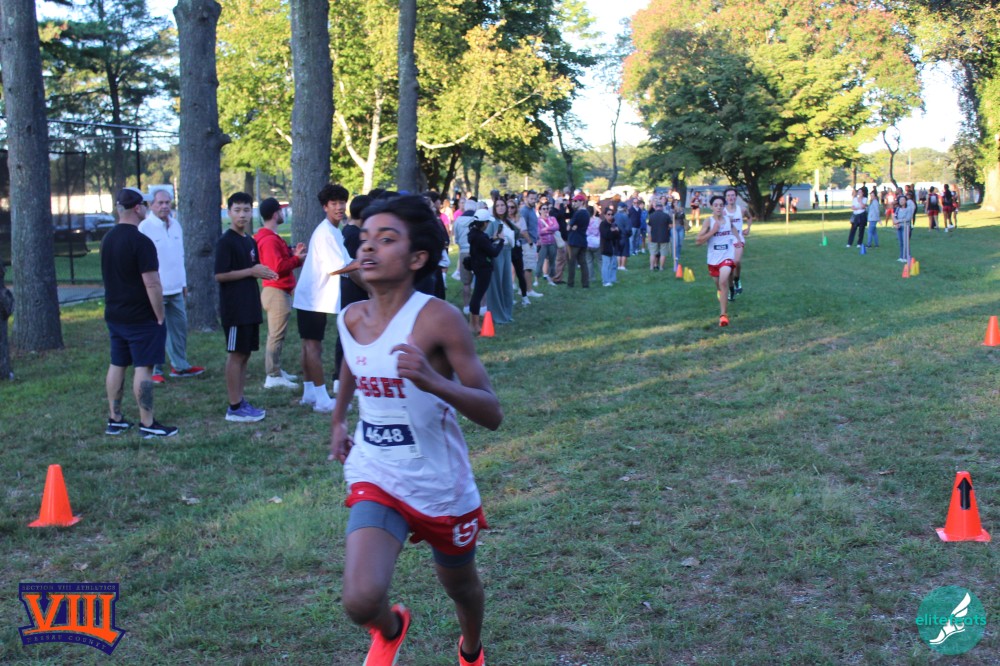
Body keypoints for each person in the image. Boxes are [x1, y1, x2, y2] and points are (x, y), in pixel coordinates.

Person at [329, 195, 501, 666]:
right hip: (376, 472)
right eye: (365, 239)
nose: (368, 247)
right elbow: (352, 363)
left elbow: (492, 412)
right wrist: (340, 419)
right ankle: (391, 629)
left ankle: (471, 650)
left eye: (386, 240)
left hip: (440, 484)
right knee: (360, 600)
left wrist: (433, 380)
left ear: (417, 258)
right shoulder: (351, 318)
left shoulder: (438, 319)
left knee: (460, 586)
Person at [101, 187, 177, 438]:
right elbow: (152, 283)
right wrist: (159, 315)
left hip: (115, 313)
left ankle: (115, 419)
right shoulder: (141, 241)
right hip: (140, 316)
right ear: (137, 208)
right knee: (143, 367)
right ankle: (147, 423)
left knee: (117, 363)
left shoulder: (108, 239)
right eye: (144, 204)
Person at [215, 192, 277, 423]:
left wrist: (262, 271)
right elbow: (220, 275)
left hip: (250, 306)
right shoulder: (226, 241)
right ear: (229, 212)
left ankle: (241, 401)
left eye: (246, 210)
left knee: (245, 353)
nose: (242, 215)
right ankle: (234, 406)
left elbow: (253, 269)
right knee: (236, 354)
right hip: (235, 308)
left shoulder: (249, 240)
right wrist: (251, 271)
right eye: (237, 210)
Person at [292, 183, 350, 413]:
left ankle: (309, 393)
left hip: (314, 297)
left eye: (342, 203)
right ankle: (323, 400)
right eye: (334, 203)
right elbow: (337, 267)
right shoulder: (326, 232)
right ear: (325, 207)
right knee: (313, 347)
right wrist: (364, 263)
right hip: (313, 298)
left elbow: (346, 262)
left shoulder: (334, 231)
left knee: (309, 345)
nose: (339, 207)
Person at [138, 187, 204, 384]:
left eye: (167, 202)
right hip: (156, 289)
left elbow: (180, 256)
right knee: (156, 330)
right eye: (160, 203)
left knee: (179, 328)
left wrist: (183, 283)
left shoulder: (176, 225)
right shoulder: (145, 227)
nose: (165, 206)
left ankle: (180, 366)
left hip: (176, 288)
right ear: (151, 205)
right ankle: (155, 369)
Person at [254, 197, 306, 390]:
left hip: (277, 290)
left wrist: (293, 254)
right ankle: (272, 375)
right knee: (275, 335)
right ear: (276, 214)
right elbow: (276, 267)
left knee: (278, 334)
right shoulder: (269, 240)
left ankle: (276, 369)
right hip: (276, 291)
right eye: (281, 211)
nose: (283, 213)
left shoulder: (270, 237)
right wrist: (297, 260)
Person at [696, 195, 736, 327]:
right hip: (713, 259)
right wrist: (713, 231)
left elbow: (734, 231)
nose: (719, 207)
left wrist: (739, 241)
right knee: (718, 284)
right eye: (716, 205)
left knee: (723, 281)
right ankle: (721, 291)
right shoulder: (709, 221)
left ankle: (723, 315)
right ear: (711, 207)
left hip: (727, 256)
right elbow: (698, 241)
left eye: (721, 205)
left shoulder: (729, 220)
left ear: (724, 207)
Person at [467, 210, 503, 334]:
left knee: (476, 295)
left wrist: (492, 239)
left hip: (477, 266)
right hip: (483, 269)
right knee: (477, 296)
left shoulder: (474, 234)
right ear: (484, 223)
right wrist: (501, 241)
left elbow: (483, 246)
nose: (488, 224)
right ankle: (475, 326)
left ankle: (472, 323)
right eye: (487, 222)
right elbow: (494, 253)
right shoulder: (481, 237)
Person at [484, 201, 514, 324]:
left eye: (502, 205)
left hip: (508, 252)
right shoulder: (492, 222)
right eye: (498, 206)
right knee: (496, 284)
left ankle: (506, 313)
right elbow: (485, 239)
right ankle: (497, 315)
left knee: (507, 284)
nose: (500, 208)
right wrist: (495, 238)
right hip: (497, 252)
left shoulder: (507, 221)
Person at [723, 188, 750, 298]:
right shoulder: (723, 211)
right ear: (725, 198)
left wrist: (748, 228)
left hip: (738, 239)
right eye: (728, 195)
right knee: (729, 268)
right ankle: (731, 290)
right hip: (726, 241)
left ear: (736, 196)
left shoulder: (742, 210)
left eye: (733, 195)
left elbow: (749, 217)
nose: (731, 197)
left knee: (737, 261)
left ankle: (737, 279)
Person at [565, 193, 590, 288]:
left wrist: (571, 226)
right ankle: (585, 283)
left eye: (576, 201)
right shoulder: (587, 213)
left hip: (574, 241)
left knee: (571, 262)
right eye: (573, 201)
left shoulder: (578, 213)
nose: (574, 203)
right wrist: (573, 226)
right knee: (583, 263)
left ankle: (570, 283)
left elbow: (568, 227)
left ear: (582, 202)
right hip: (583, 239)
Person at [535, 202, 558, 285]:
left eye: (547, 208)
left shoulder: (552, 218)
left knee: (552, 261)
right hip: (543, 243)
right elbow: (539, 232)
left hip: (552, 242)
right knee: (540, 262)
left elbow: (556, 227)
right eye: (543, 209)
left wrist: (545, 229)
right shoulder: (538, 220)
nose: (545, 210)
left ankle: (551, 279)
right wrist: (550, 229)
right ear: (540, 211)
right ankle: (536, 280)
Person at [647, 196, 671, 271]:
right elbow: (670, 226)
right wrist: (667, 228)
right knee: (663, 253)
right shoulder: (666, 216)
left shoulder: (651, 216)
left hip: (654, 237)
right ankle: (661, 267)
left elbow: (649, 226)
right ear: (662, 208)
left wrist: (649, 235)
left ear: (656, 208)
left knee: (653, 253)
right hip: (664, 236)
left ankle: (651, 267)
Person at [599, 206, 620, 287]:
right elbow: (606, 235)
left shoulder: (613, 224)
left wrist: (615, 231)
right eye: (608, 214)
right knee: (606, 265)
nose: (610, 216)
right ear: (605, 215)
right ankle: (606, 281)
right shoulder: (603, 224)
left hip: (614, 246)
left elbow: (618, 235)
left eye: (612, 214)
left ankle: (612, 279)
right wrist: (613, 231)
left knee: (614, 264)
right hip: (606, 247)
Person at [893, 188, 915, 263]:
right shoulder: (897, 209)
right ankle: (901, 256)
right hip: (899, 227)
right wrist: (896, 223)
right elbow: (895, 216)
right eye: (900, 200)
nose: (901, 201)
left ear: (905, 201)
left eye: (903, 200)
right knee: (901, 242)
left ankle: (907, 256)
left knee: (906, 242)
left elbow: (908, 218)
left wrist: (899, 221)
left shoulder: (908, 209)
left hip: (906, 227)